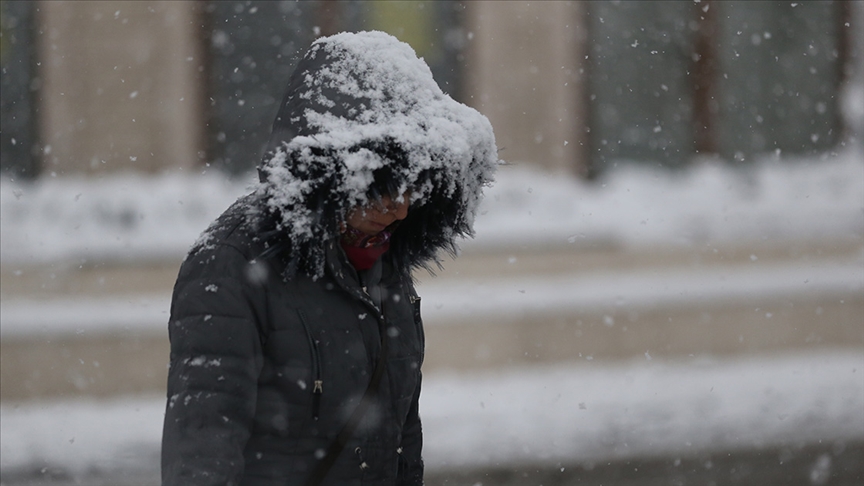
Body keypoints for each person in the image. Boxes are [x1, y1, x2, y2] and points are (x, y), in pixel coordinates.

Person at [160, 31, 498, 485]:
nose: (400, 209)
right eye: (382, 185)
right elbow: (203, 447)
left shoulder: (384, 263)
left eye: (414, 187)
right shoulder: (227, 266)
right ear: (330, 174)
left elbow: (402, 440)